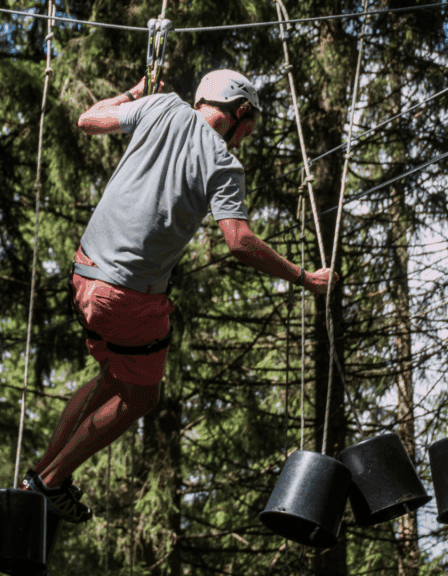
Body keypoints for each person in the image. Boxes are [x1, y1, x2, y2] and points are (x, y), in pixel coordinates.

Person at [20, 70, 338, 522]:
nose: (246, 137)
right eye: (249, 126)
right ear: (239, 111)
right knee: (141, 398)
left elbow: (88, 120)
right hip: (127, 296)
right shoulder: (223, 164)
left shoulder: (161, 105)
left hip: (84, 277)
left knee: (115, 376)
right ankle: (51, 481)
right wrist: (304, 277)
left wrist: (136, 88)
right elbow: (240, 242)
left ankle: (40, 479)